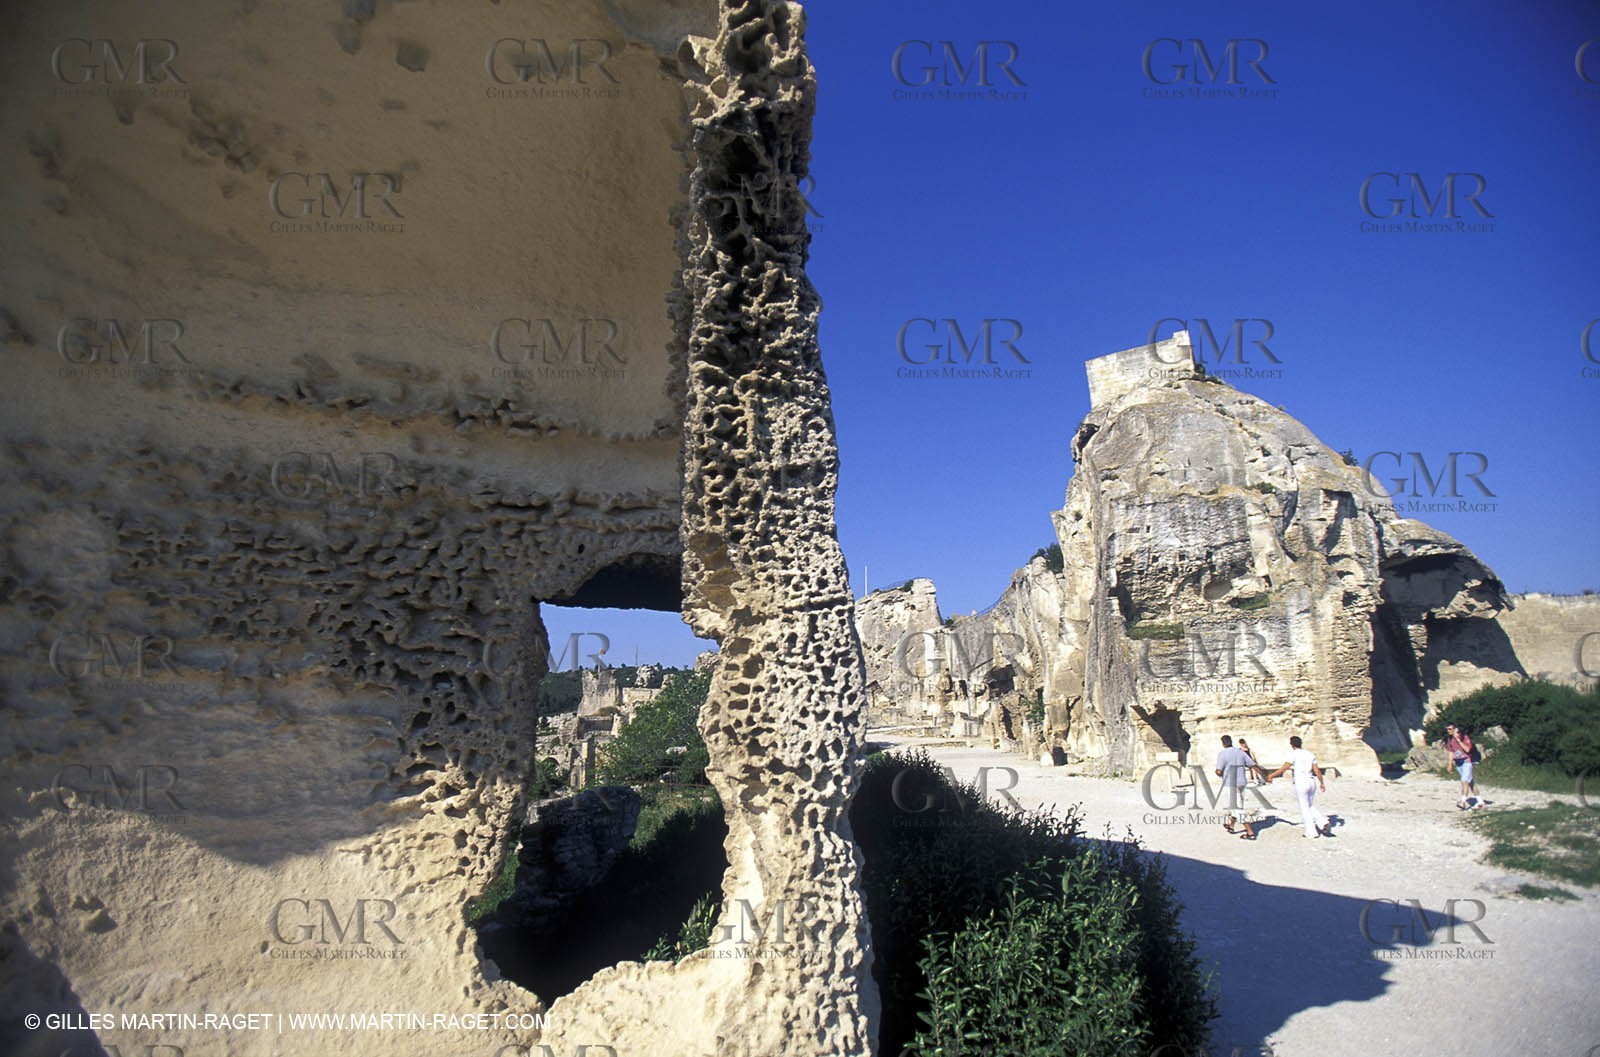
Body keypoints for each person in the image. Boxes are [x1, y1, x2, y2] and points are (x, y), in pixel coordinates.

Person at [1265, 736, 1330, 838]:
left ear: (1292, 745)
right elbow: (1317, 770)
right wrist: (1322, 783)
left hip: (1301, 782)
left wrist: (1271, 776)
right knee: (1309, 805)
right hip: (1312, 781)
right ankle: (1322, 822)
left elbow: (1284, 767)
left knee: (1305, 808)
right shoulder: (1309, 754)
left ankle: (1311, 832)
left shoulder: (1294, 754)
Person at [1214, 735, 1258, 840]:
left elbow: (1219, 771)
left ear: (1223, 743)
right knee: (1237, 805)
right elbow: (1252, 764)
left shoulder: (1222, 754)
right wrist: (1265, 776)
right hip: (1242, 782)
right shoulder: (1240, 752)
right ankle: (1231, 826)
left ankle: (1250, 832)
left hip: (1231, 784)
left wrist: (1218, 773)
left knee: (1237, 808)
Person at [1444, 723, 1486, 810]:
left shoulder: (1464, 737)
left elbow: (1467, 749)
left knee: (1464, 781)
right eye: (1447, 729)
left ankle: (1462, 802)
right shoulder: (1449, 739)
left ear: (1456, 729)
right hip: (1458, 763)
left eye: (1450, 729)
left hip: (1467, 761)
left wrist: (1458, 740)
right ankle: (1480, 801)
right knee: (1470, 783)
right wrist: (1450, 764)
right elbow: (1451, 752)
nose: (1448, 731)